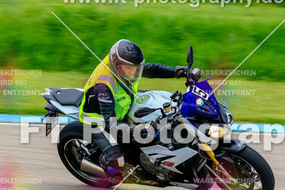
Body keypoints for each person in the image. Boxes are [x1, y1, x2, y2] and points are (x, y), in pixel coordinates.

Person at [79, 39, 200, 173]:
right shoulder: (103, 86)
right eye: (129, 69)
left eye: (136, 69)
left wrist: (180, 71)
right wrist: (138, 128)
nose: (133, 73)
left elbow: (153, 69)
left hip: (121, 105)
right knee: (118, 160)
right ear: (116, 67)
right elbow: (110, 124)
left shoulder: (126, 67)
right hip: (97, 120)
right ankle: (107, 169)